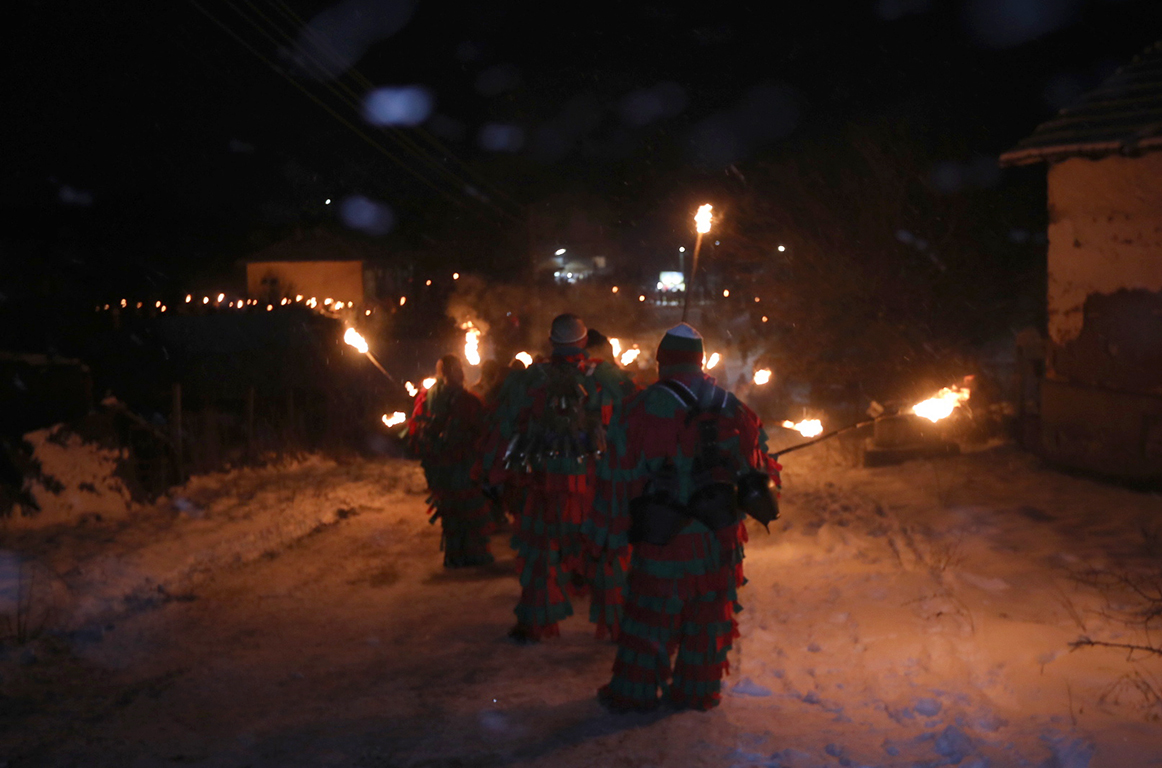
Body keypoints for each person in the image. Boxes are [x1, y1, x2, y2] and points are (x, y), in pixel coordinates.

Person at [593, 323, 781, 712]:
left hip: (664, 535)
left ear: (663, 360)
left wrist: (609, 534)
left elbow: (617, 476)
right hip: (719, 537)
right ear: (699, 360)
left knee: (651, 616)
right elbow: (761, 468)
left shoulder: (639, 409)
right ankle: (697, 691)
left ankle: (636, 692)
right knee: (709, 618)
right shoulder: (733, 407)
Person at [480, 313, 616, 643]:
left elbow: (503, 426)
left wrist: (492, 472)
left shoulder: (528, 380)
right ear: (584, 342)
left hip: (540, 483)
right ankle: (615, 623)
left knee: (540, 554)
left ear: (551, 342)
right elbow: (628, 427)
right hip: (590, 483)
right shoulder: (606, 378)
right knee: (602, 551)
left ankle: (535, 624)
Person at [408, 354, 493, 568]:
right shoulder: (466, 400)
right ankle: (471, 554)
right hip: (460, 463)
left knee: (453, 509)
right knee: (467, 508)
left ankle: (456, 554)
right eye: (457, 369)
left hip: (445, 463)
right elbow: (480, 428)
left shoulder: (430, 397)